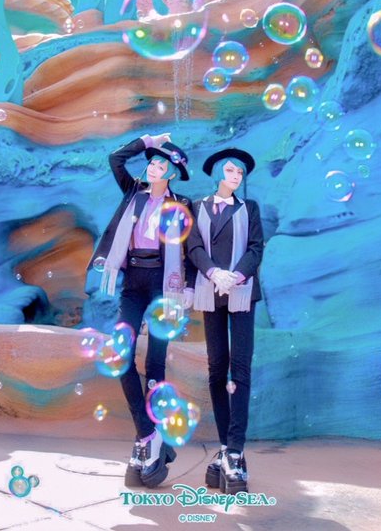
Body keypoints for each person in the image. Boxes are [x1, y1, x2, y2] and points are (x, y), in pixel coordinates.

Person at [88, 133, 195, 488]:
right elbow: (115, 159)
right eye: (151, 162)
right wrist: (147, 141)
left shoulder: (183, 204)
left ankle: (145, 445)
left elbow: (192, 249)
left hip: (165, 283)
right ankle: (150, 434)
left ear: (172, 173)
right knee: (122, 357)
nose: (153, 167)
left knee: (155, 365)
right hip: (134, 279)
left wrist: (189, 287)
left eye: (161, 164)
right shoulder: (133, 192)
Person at [187, 148, 264, 494]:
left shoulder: (250, 208)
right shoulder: (198, 207)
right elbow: (193, 247)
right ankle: (223, 446)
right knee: (217, 368)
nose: (235, 177)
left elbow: (256, 248)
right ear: (218, 172)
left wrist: (236, 275)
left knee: (240, 369)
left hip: (241, 291)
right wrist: (214, 273)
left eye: (240, 173)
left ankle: (236, 450)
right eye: (230, 171)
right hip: (211, 290)